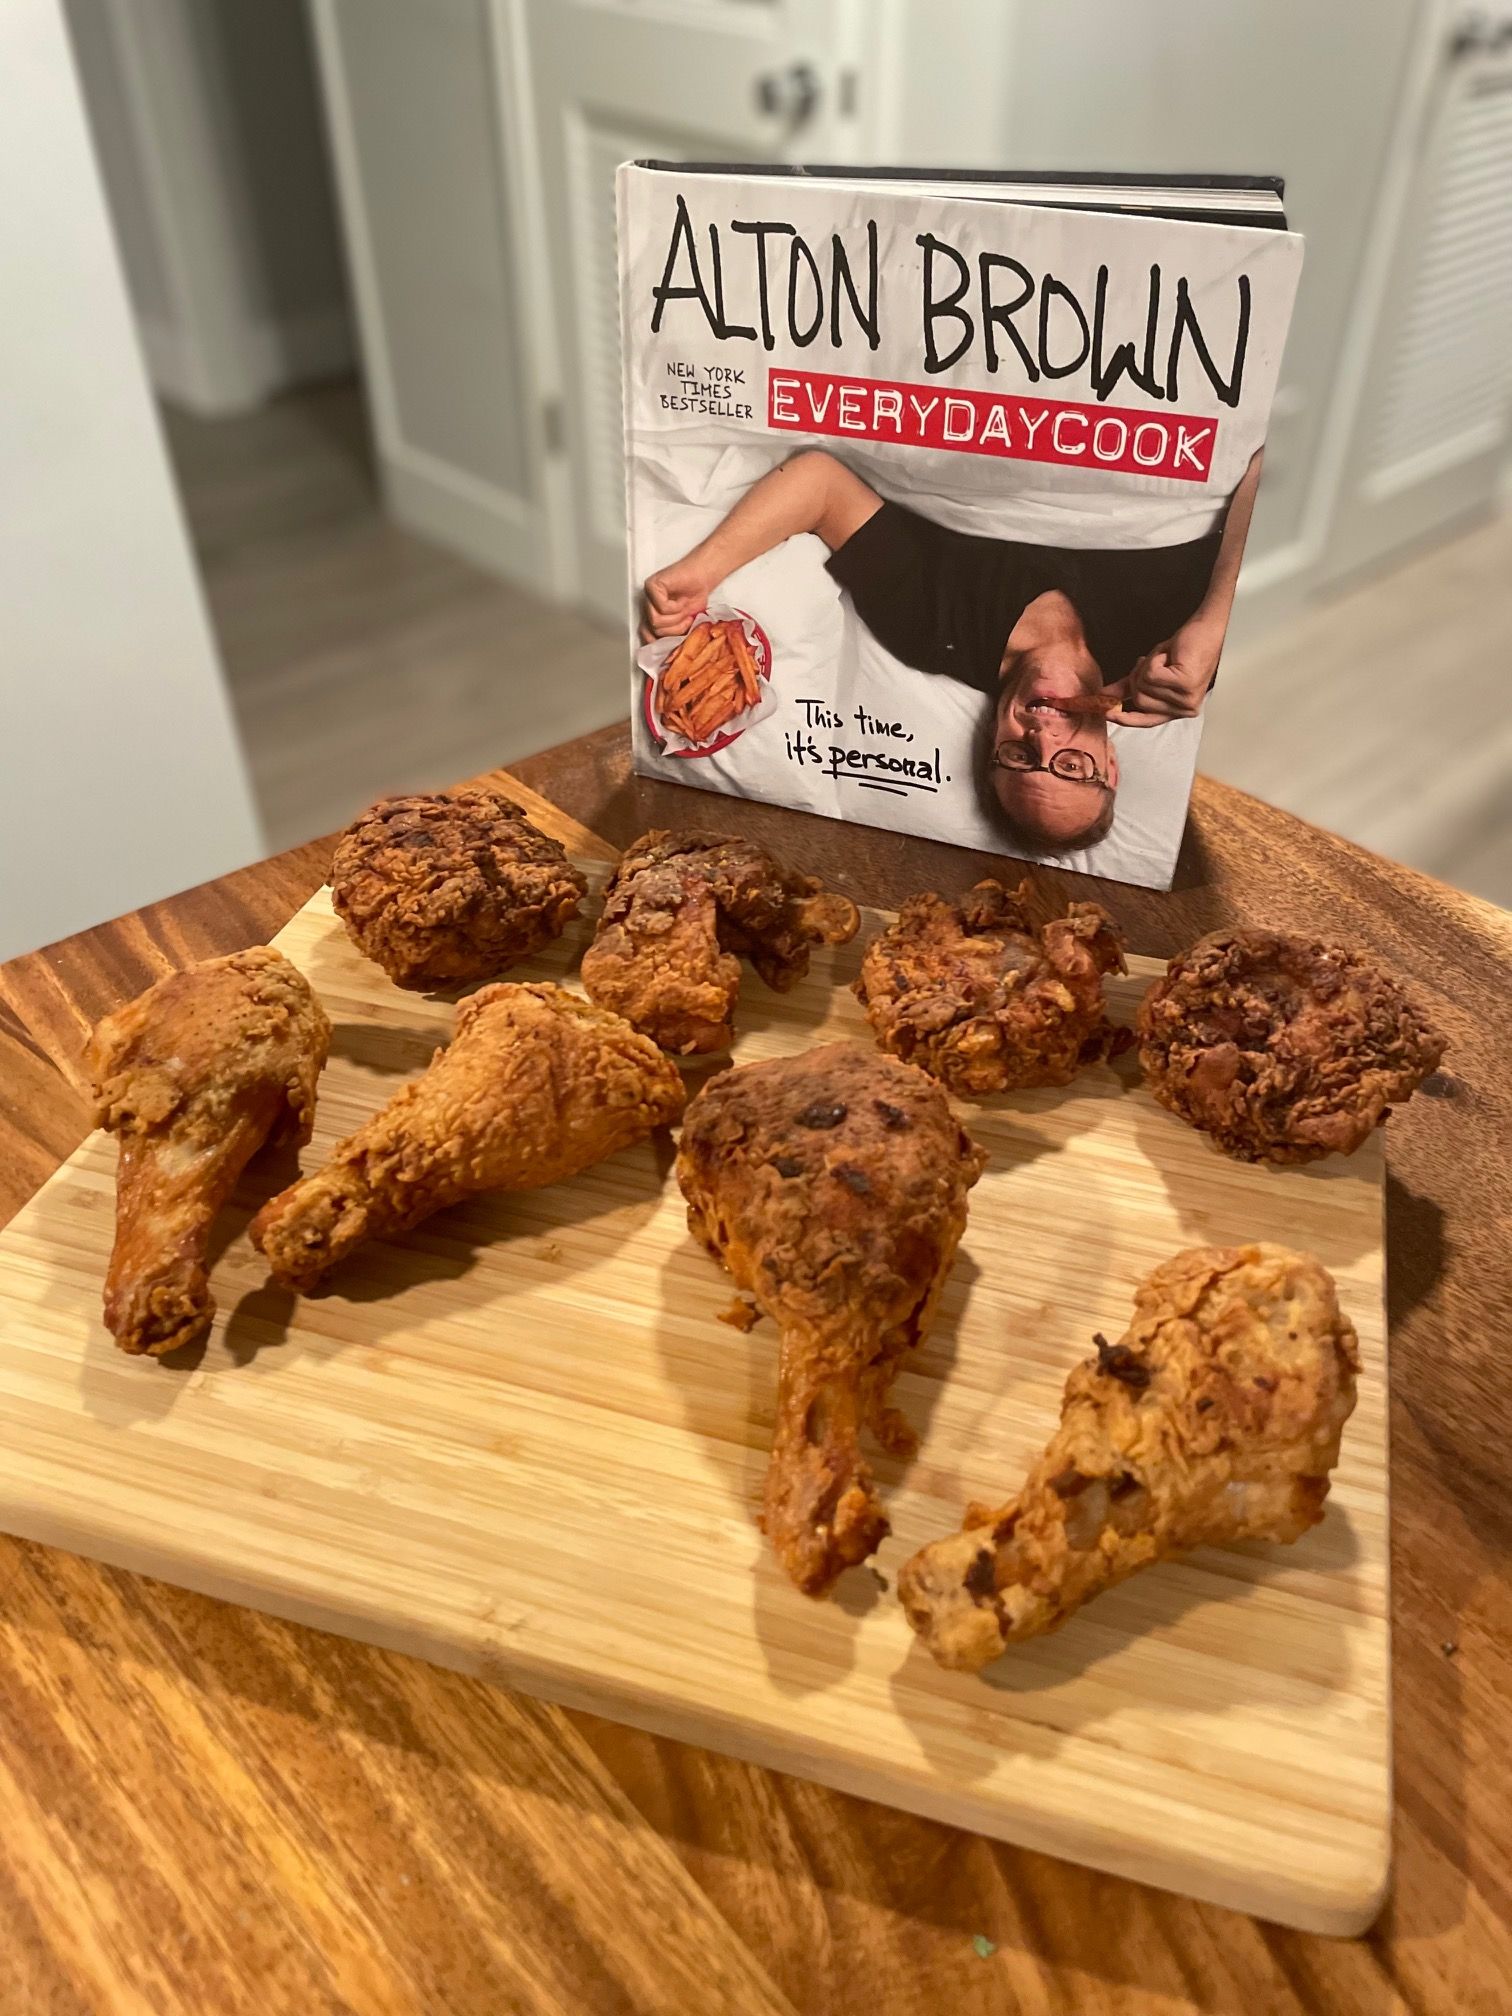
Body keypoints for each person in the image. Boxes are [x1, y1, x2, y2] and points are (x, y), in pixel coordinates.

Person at [643, 446, 1263, 854]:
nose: (1044, 738)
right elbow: (1270, 460)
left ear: (991, 744)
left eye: (1019, 757)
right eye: (1071, 766)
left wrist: (702, 571)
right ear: (1112, 763)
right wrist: (1220, 613)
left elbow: (822, 486)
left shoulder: (929, 629)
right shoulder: (1172, 665)